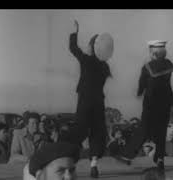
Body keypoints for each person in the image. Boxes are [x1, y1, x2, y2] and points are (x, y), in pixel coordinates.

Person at [59, 20, 112, 178]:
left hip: (85, 100)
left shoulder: (87, 61)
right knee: (97, 131)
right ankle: (94, 164)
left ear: (93, 47)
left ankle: (62, 151)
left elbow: (73, 48)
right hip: (98, 102)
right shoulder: (105, 67)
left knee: (80, 128)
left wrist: (75, 32)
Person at [117, 40, 173, 171]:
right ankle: (160, 159)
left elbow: (142, 84)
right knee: (161, 131)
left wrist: (139, 92)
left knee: (144, 128)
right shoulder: (168, 66)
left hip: (151, 102)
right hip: (165, 103)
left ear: (153, 53)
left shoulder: (147, 67)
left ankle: (128, 156)